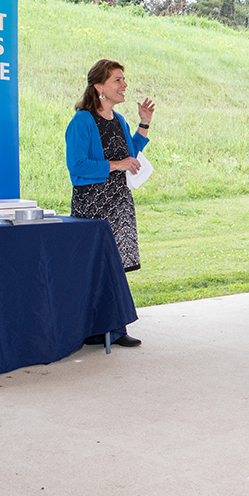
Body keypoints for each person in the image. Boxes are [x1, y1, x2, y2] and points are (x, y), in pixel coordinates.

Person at [65, 58, 155, 348]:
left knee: (115, 269)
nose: (124, 84)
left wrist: (144, 124)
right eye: (117, 79)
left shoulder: (119, 120)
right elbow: (77, 165)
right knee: (95, 268)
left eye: (123, 79)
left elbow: (131, 153)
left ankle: (114, 328)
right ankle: (96, 329)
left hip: (119, 204)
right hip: (94, 206)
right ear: (99, 86)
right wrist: (116, 165)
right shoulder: (82, 121)